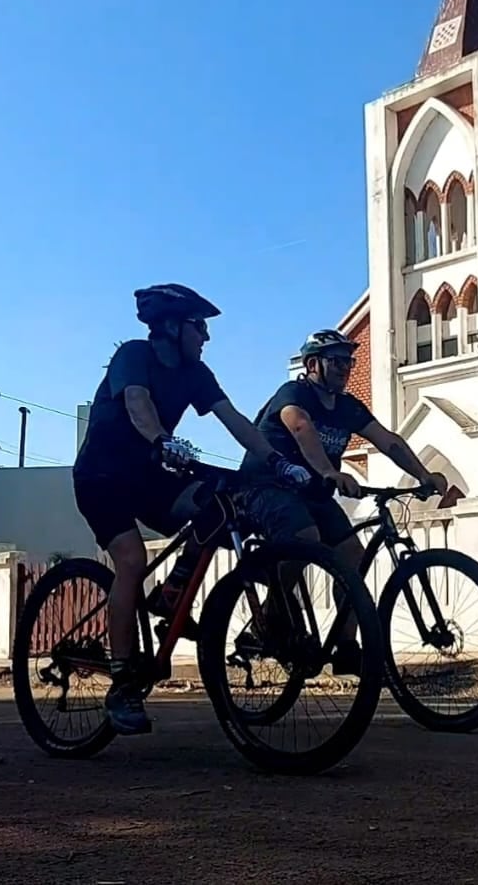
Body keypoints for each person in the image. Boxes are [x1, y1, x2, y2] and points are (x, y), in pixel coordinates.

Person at [72, 283, 310, 736]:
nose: (206, 337)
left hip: (150, 477)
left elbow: (236, 420)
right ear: (170, 326)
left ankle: (172, 592)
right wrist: (163, 440)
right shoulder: (134, 355)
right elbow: (137, 404)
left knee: (215, 504)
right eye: (199, 327)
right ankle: (122, 682)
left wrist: (278, 462)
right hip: (102, 478)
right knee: (132, 560)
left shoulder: (197, 373)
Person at [235, 328, 450, 674]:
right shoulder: (294, 393)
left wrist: (423, 474)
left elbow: (388, 441)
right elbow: (300, 426)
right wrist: (327, 471)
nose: (345, 368)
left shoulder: (348, 407)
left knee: (353, 558)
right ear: (312, 364)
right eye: (336, 361)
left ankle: (347, 647)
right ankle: (273, 617)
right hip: (265, 486)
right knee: (305, 539)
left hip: (311, 492)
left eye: (348, 361)